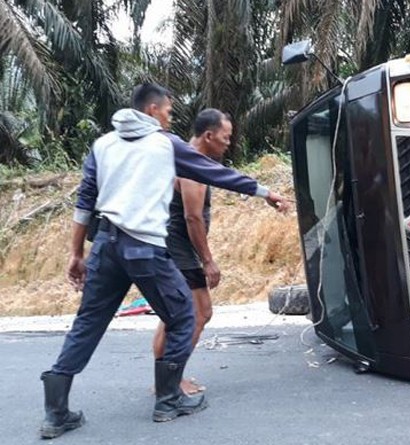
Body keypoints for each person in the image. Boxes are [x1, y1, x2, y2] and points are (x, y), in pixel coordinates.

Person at [39, 83, 290, 439]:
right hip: (144, 248)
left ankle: (56, 413)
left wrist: (76, 253)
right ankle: (168, 401)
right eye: (170, 112)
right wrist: (266, 193)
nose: (171, 119)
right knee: (184, 315)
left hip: (105, 247)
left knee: (88, 324)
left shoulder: (102, 145)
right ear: (154, 110)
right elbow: (213, 172)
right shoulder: (164, 143)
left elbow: (85, 202)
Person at [152, 109, 233, 394]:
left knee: (172, 315)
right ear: (209, 136)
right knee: (201, 312)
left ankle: (164, 380)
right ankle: (172, 381)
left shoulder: (188, 159)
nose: (228, 144)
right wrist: (208, 261)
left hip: (175, 247)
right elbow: (192, 218)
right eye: (225, 138)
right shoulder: (190, 165)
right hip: (180, 249)